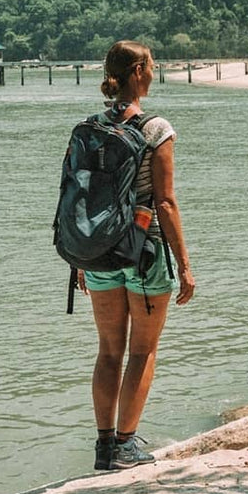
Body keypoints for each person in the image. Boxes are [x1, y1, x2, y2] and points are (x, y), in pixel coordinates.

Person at [77, 40, 196, 471]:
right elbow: (165, 202)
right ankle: (126, 446)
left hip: (98, 255)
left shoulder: (91, 126)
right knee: (142, 351)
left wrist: (79, 260)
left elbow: (82, 198)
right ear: (141, 70)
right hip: (143, 253)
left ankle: (104, 446)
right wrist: (184, 265)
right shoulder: (155, 128)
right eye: (153, 64)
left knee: (108, 350)